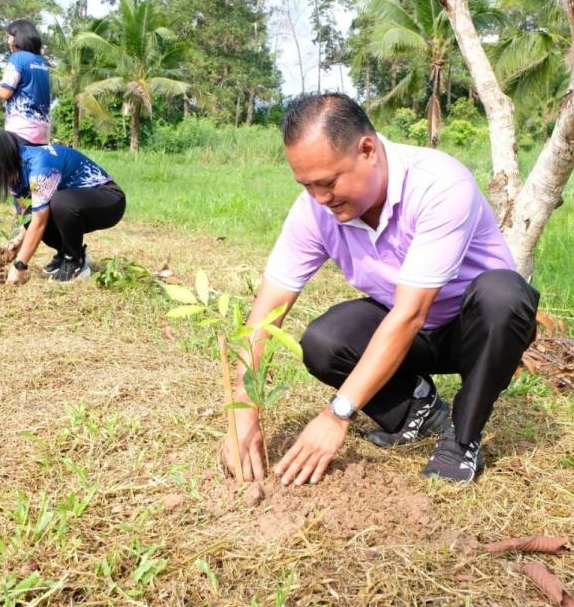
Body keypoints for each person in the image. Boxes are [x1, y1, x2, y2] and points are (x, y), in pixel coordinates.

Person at [225, 93, 539, 485]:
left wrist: (337, 413)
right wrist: (244, 413)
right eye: (307, 186)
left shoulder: (439, 184)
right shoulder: (315, 211)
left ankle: (462, 437)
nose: (320, 198)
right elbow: (265, 316)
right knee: (324, 341)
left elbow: (411, 314)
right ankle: (417, 410)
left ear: (368, 149)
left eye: (328, 182)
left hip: (473, 330)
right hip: (410, 335)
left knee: (503, 297)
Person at [0, 129, 125, 283]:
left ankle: (75, 261)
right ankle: (66, 253)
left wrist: (19, 266)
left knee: (60, 202)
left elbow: (39, 222)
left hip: (109, 199)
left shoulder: (41, 167)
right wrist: (18, 240)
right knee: (29, 215)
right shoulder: (14, 175)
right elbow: (30, 213)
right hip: (75, 202)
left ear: (0, 161)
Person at [0, 20, 50, 146]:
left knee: (18, 165)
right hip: (42, 132)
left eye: (9, 37)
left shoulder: (18, 58)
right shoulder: (41, 62)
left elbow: (5, 92)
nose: (8, 41)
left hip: (21, 130)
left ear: (18, 38)